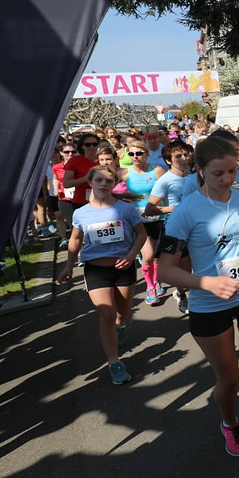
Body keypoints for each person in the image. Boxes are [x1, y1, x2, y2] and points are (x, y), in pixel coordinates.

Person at [157, 136, 239, 458]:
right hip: (209, 303)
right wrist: (207, 283)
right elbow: (165, 270)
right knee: (228, 378)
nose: (228, 179)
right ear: (199, 170)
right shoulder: (185, 212)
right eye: (218, 173)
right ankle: (230, 423)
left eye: (232, 171)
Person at [57, 165, 148, 385]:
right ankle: (114, 362)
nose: (104, 184)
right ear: (90, 183)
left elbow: (141, 234)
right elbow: (76, 239)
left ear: (114, 184)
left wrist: (132, 254)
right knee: (106, 314)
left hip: (123, 267)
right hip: (96, 269)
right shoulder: (81, 213)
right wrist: (69, 265)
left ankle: (120, 325)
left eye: (109, 181)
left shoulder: (125, 209)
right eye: (99, 180)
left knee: (122, 312)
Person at [145, 140, 196, 313]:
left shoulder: (195, 176)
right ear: (168, 161)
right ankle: (181, 294)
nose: (183, 159)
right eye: (178, 156)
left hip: (196, 228)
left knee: (196, 265)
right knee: (183, 269)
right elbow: (149, 209)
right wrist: (173, 209)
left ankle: (198, 296)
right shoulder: (164, 181)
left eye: (185, 155)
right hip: (175, 230)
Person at [124, 140, 167, 305]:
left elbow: (170, 189)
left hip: (158, 217)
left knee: (157, 256)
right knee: (147, 255)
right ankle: (150, 287)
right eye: (132, 154)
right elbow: (109, 188)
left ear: (146, 154)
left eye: (139, 153)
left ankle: (156, 280)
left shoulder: (157, 171)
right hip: (138, 220)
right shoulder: (125, 173)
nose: (135, 157)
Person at [61, 133, 101, 233]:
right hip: (82, 202)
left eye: (94, 144)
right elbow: (66, 183)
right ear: (82, 146)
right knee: (84, 232)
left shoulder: (103, 159)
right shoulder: (75, 161)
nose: (91, 147)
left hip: (102, 201)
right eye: (88, 144)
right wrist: (85, 179)